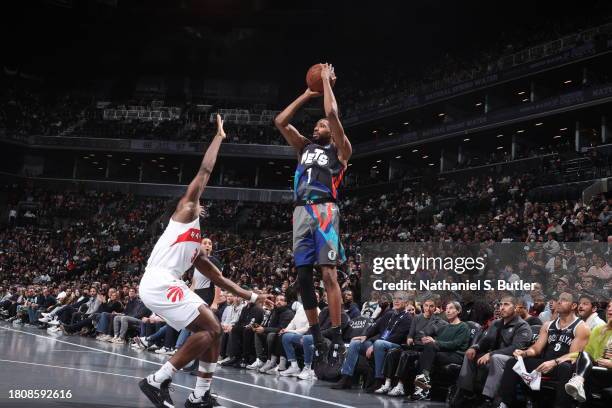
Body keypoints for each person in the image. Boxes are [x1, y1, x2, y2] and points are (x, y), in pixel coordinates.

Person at [138, 115, 270, 408]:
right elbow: (206, 168)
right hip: (159, 280)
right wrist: (220, 136)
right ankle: (157, 380)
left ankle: (199, 396)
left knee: (213, 332)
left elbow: (220, 279)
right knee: (210, 328)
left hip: (162, 284)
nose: (201, 198)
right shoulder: (185, 211)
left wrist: (253, 295)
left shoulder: (195, 245)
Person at [274, 63, 352, 358]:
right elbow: (280, 121)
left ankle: (337, 333)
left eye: (320, 126)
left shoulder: (341, 150)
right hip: (300, 212)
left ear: (331, 131)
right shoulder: (304, 147)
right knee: (303, 278)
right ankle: (317, 333)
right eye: (316, 126)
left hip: (324, 212)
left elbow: (332, 114)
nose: (315, 128)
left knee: (329, 274)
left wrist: (326, 83)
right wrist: (307, 94)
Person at [497, 292, 591, 408]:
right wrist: (525, 353)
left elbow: (573, 355)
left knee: (565, 368)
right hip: (545, 363)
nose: (559, 302)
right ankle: (506, 403)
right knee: (512, 362)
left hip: (562, 365)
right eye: (559, 299)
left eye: (565, 300)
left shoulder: (581, 327)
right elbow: (537, 348)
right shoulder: (547, 325)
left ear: (573, 306)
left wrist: (553, 362)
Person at [452, 295, 532, 407]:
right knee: (469, 354)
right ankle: (465, 392)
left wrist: (491, 354)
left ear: (515, 308)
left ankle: (488, 399)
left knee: (496, 358)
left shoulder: (523, 326)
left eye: (506, 304)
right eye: (500, 304)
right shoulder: (496, 323)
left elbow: (516, 348)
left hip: (512, 360)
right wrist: (475, 347)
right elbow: (485, 341)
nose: (502, 307)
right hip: (494, 356)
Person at [331, 292, 412, 391]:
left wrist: (373, 345)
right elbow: (375, 327)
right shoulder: (389, 314)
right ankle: (346, 377)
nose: (396, 301)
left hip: (396, 345)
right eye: (395, 298)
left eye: (400, 299)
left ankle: (378, 380)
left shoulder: (408, 318)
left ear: (406, 303)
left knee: (379, 344)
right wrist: (365, 336)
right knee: (355, 343)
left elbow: (396, 337)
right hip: (380, 342)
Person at [375, 296, 447, 397]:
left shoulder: (439, 322)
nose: (428, 308)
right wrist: (409, 338)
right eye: (426, 305)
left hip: (424, 349)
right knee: (392, 353)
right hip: (413, 346)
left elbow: (439, 339)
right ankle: (387, 384)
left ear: (435, 308)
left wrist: (432, 340)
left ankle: (400, 386)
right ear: (422, 306)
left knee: (406, 355)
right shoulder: (417, 318)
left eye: (431, 306)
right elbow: (410, 334)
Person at [410, 301, 471, 402]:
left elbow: (455, 344)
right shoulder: (444, 327)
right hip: (443, 354)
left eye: (451, 308)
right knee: (426, 350)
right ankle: (422, 388)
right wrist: (428, 339)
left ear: (458, 311)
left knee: (427, 353)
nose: (447, 311)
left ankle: (422, 388)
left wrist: (435, 342)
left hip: (456, 355)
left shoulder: (463, 326)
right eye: (446, 308)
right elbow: (435, 340)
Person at [563, 299, 612, 403]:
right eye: (608, 307)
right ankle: (578, 381)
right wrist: (560, 359)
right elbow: (587, 353)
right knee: (576, 360)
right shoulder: (599, 329)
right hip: (596, 369)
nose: (609, 310)